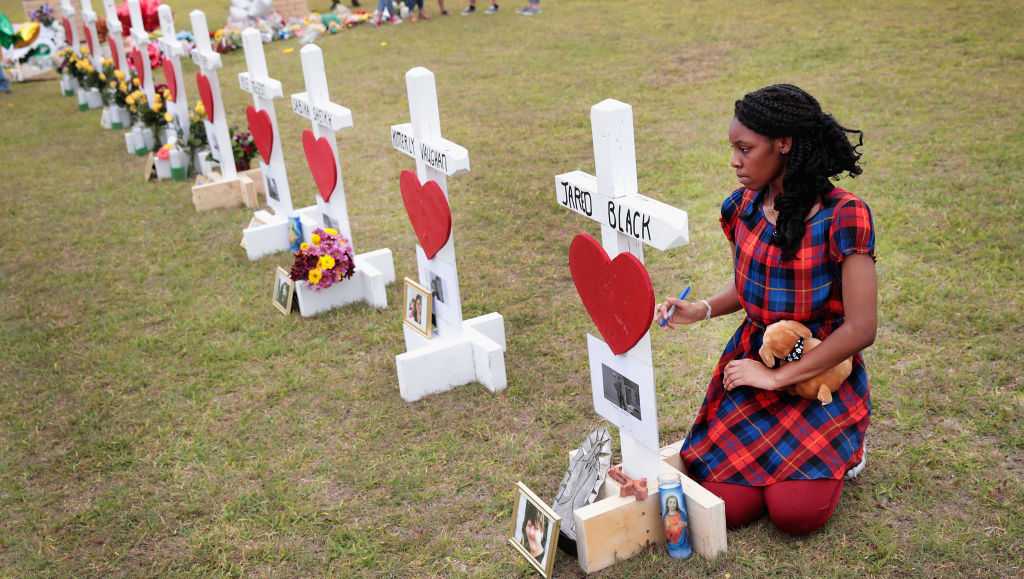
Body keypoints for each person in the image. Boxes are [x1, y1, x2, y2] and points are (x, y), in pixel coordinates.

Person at [656, 84, 876, 536]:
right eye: (732, 149)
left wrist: (777, 376)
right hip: (755, 362)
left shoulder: (844, 216)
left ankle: (849, 447)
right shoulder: (741, 207)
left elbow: (860, 328)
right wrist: (700, 309)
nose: (735, 161)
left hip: (818, 372)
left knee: (795, 515)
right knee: (727, 507)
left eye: (745, 149)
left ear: (784, 144)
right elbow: (749, 286)